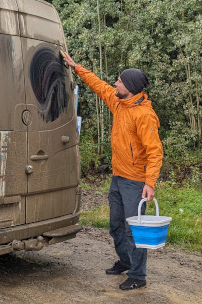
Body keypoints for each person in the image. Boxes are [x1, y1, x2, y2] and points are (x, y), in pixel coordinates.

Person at [62, 51, 163, 290]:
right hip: (118, 177)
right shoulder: (119, 102)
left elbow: (155, 152)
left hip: (135, 183)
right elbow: (98, 85)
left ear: (130, 86)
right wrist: (76, 67)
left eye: (119, 80)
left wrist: (150, 183)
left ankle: (138, 276)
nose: (115, 83)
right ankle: (126, 262)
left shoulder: (145, 115)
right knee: (116, 225)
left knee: (133, 231)